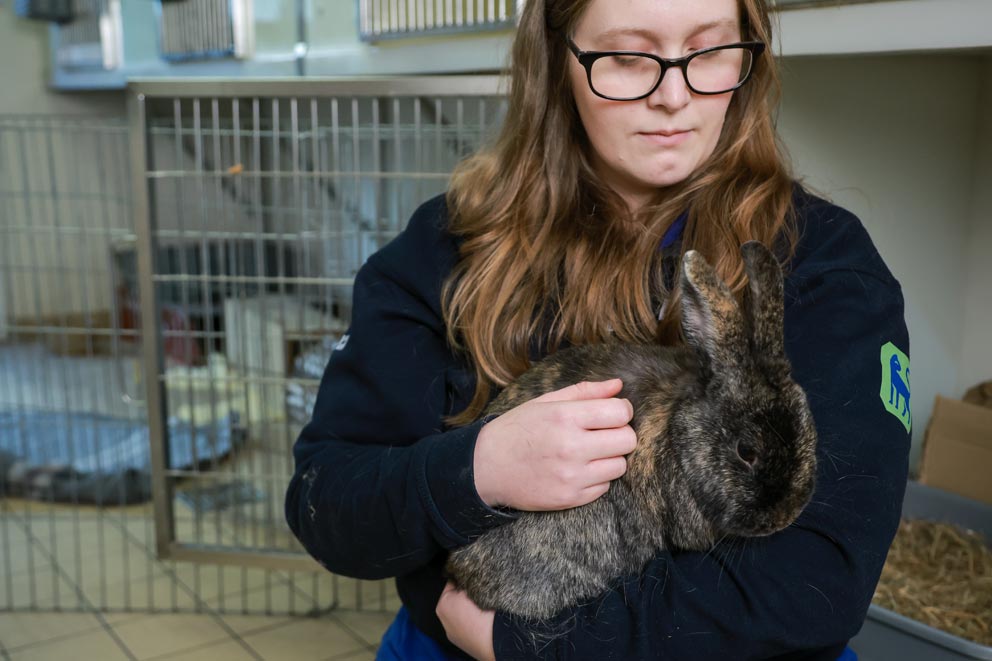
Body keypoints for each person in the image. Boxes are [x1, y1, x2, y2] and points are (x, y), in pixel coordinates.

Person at [285, 0, 911, 658]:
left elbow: (819, 577)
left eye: (708, 52)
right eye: (626, 56)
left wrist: (533, 645)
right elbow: (329, 499)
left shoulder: (827, 270)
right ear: (558, 60)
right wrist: (477, 469)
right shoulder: (443, 252)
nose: (674, 97)